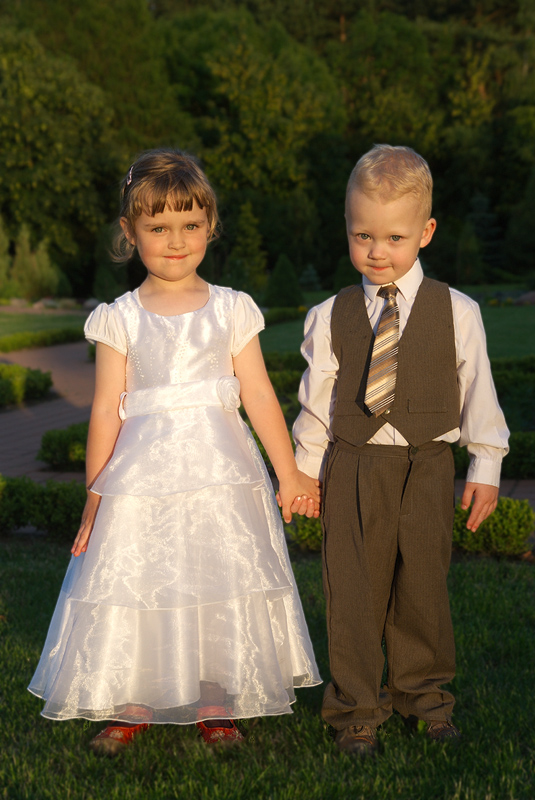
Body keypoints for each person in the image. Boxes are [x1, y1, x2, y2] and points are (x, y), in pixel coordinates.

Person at [28, 148, 321, 756]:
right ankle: (136, 697)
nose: (177, 241)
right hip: (142, 479)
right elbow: (105, 410)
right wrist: (95, 496)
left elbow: (258, 393)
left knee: (217, 577)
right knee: (144, 578)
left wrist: (289, 472)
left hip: (221, 475)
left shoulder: (232, 308)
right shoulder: (120, 318)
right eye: (158, 228)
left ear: (210, 225)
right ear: (129, 232)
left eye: (190, 225)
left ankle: (215, 697)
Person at [293, 144, 509, 757]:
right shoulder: (329, 315)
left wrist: (486, 466)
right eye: (362, 235)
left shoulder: (458, 311)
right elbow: (317, 402)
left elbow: (479, 392)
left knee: (422, 590)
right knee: (353, 591)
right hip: (354, 466)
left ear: (426, 232)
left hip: (427, 466)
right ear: (347, 227)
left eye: (394, 237)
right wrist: (304, 473)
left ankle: (426, 698)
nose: (377, 251)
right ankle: (357, 709)